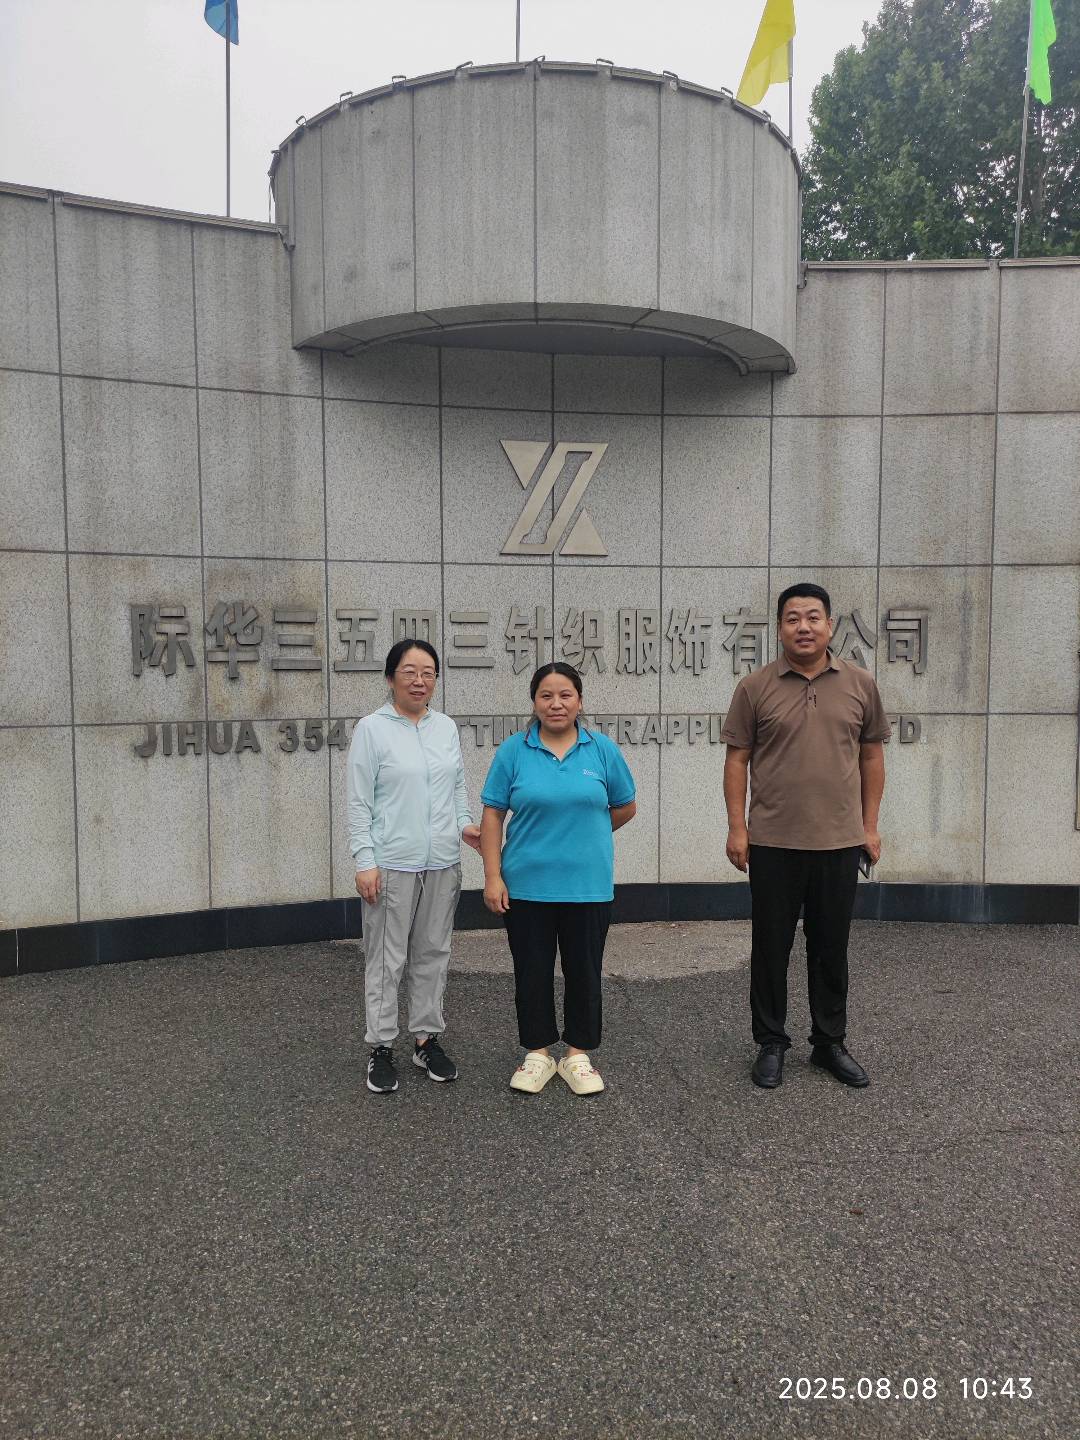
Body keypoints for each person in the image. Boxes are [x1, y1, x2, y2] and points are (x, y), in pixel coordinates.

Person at [721, 582, 891, 1091]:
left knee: (830, 946)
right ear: (779, 628)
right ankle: (771, 1042)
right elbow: (737, 761)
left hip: (839, 841)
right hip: (773, 840)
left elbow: (872, 757)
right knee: (770, 947)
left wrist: (870, 826)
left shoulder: (860, 684)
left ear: (830, 625)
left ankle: (829, 1042)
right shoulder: (755, 687)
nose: (804, 627)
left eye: (813, 617)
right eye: (793, 618)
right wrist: (737, 827)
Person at [479, 662, 637, 1096]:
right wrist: (492, 876)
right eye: (546, 695)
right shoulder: (513, 752)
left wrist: (587, 834)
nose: (556, 703)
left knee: (584, 970)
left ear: (579, 701)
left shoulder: (602, 750)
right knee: (531, 970)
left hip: (588, 886)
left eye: (565, 695)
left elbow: (625, 806)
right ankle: (537, 1054)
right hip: (526, 885)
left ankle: (577, 1055)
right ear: (534, 702)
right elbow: (492, 815)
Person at [345, 638, 481, 1095]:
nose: (419, 680)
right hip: (392, 864)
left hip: (442, 862)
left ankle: (426, 1039)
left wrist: (465, 826)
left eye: (428, 672)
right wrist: (365, 860)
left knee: (432, 953)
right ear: (390, 678)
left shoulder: (445, 727)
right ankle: (381, 1046)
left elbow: (457, 788)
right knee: (387, 959)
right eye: (409, 671)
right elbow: (359, 801)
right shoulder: (372, 729)